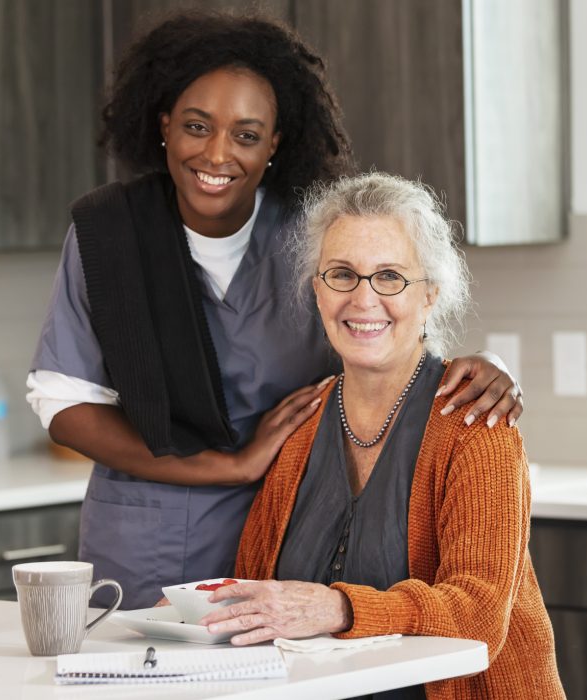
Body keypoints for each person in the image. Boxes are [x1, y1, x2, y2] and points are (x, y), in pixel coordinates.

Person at [27, 11, 524, 611]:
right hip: (145, 539)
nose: (217, 153)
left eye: (245, 133)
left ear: (274, 145)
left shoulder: (308, 236)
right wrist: (229, 465)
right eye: (196, 125)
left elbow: (379, 332)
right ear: (163, 125)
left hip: (289, 531)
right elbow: (64, 404)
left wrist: (480, 365)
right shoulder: (106, 233)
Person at [201, 172, 563, 699]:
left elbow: (480, 614)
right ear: (317, 290)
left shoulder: (475, 427)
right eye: (342, 274)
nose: (364, 299)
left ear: (430, 295)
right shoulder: (300, 425)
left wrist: (341, 607)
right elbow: (264, 593)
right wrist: (208, 615)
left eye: (390, 276)